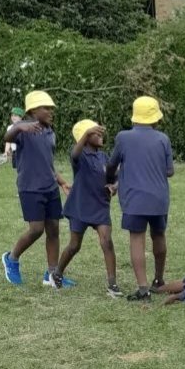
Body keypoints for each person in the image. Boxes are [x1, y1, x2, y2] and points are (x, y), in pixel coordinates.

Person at [106, 95, 174, 302]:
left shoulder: (123, 137)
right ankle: (159, 280)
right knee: (158, 235)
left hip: (134, 198)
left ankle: (143, 288)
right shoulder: (163, 139)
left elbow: (112, 164)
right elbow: (169, 171)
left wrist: (111, 179)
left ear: (134, 118)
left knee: (137, 239)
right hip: (159, 198)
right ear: (156, 119)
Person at [0, 90, 72, 287]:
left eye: (50, 108)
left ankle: (52, 275)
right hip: (30, 188)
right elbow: (7, 136)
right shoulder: (22, 128)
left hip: (50, 187)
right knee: (36, 229)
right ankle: (11, 259)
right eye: (45, 108)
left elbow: (47, 163)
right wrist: (20, 128)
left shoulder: (49, 132)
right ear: (32, 110)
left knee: (54, 229)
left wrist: (62, 181)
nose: (50, 111)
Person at [49, 119, 120, 296]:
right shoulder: (80, 157)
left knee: (107, 242)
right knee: (74, 246)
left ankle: (112, 285)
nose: (100, 135)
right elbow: (74, 153)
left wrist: (115, 186)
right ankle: (57, 274)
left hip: (100, 206)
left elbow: (116, 176)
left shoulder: (104, 157)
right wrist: (87, 133)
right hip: (80, 206)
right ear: (86, 137)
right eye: (95, 133)